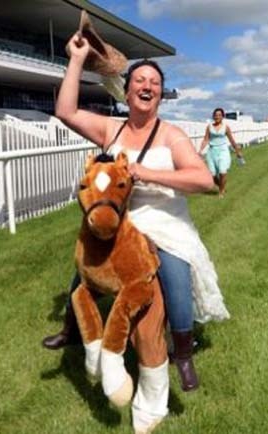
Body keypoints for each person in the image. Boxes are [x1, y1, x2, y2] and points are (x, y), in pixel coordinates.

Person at [45, 33, 230, 431]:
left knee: (172, 293)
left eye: (155, 84)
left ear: (160, 96)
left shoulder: (172, 135)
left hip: (165, 227)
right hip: (121, 229)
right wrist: (77, 59)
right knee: (82, 273)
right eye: (140, 82)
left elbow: (205, 181)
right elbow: (65, 110)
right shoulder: (110, 130)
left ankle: (181, 353)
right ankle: (72, 331)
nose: (147, 87)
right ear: (126, 92)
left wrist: (142, 172)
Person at [198, 108, 245, 197]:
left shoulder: (226, 127)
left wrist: (237, 151)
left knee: (222, 171)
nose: (217, 117)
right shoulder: (209, 127)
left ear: (222, 116)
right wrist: (200, 150)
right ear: (213, 116)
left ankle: (221, 191)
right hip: (212, 152)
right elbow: (206, 139)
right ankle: (221, 185)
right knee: (212, 175)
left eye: (219, 115)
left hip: (223, 150)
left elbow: (232, 140)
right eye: (215, 115)